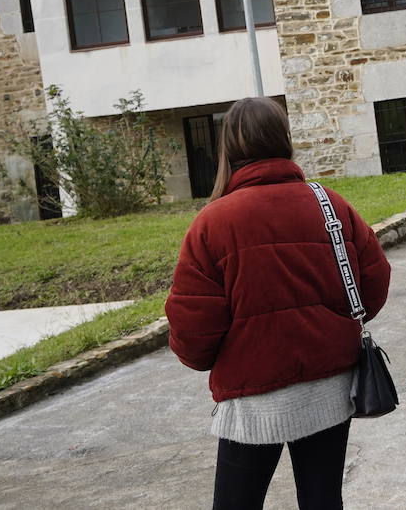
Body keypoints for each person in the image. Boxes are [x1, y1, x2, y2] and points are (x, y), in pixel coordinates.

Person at [166, 97, 391, 510]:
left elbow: (193, 329)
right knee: (323, 501)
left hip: (252, 399)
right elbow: (374, 283)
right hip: (329, 388)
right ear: (284, 140)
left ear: (229, 149)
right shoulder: (330, 204)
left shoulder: (211, 224)